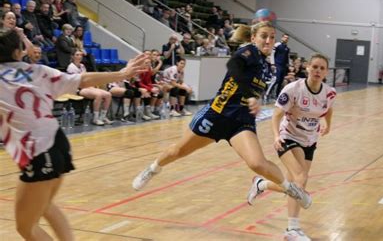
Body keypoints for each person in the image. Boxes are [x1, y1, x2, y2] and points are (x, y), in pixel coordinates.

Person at [132, 21, 312, 209]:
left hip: (242, 121)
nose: (268, 40)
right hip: (217, 115)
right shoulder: (248, 52)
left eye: (271, 37)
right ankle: (152, 169)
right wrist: (250, 95)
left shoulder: (269, 65)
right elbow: (233, 66)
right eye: (264, 36)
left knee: (257, 164)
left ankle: (291, 189)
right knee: (178, 151)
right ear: (253, 38)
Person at [0, 27, 147, 240]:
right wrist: (122, 74)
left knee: (26, 228)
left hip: (39, 153)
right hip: (57, 142)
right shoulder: (36, 71)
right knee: (45, 206)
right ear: (18, 52)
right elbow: (83, 79)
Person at [246, 54, 336, 241]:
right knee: (300, 178)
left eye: (322, 68)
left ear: (326, 72)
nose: (318, 71)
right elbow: (276, 115)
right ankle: (292, 229)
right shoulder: (293, 89)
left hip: (309, 140)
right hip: (288, 137)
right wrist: (276, 136)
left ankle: (261, 184)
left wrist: (328, 123)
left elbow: (328, 109)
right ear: (308, 68)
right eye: (315, 67)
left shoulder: (329, 92)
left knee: (294, 184)